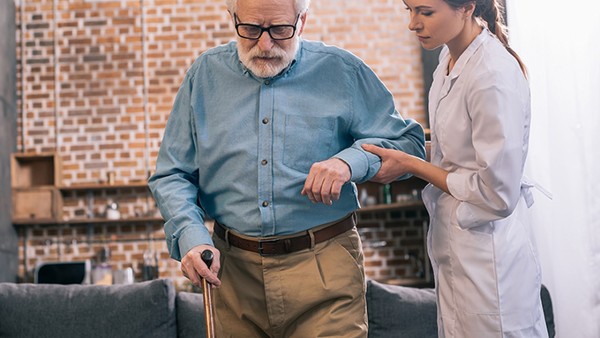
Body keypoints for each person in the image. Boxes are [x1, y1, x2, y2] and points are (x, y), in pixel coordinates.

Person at [148, 0, 426, 336]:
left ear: (303, 21)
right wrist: (191, 237)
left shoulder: (341, 72)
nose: (265, 45)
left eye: (280, 30)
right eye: (250, 29)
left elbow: (407, 144)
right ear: (232, 18)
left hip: (325, 266)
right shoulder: (203, 77)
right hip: (232, 274)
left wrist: (348, 163)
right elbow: (171, 173)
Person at [362, 0, 549, 337]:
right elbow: (457, 152)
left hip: (491, 266)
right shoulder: (448, 62)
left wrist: (412, 164)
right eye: (410, 10)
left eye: (425, 12)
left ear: (466, 8)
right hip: (458, 257)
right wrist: (404, 152)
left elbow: (496, 194)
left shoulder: (492, 73)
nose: (413, 24)